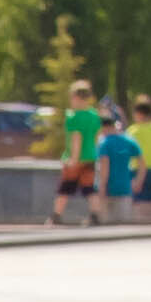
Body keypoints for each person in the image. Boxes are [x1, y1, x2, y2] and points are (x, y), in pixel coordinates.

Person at [54, 77, 107, 225]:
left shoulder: (73, 116)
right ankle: (95, 214)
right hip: (90, 156)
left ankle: (57, 215)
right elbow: (97, 136)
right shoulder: (94, 115)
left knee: (65, 187)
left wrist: (74, 159)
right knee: (89, 188)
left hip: (76, 158)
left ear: (76, 97)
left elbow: (76, 138)